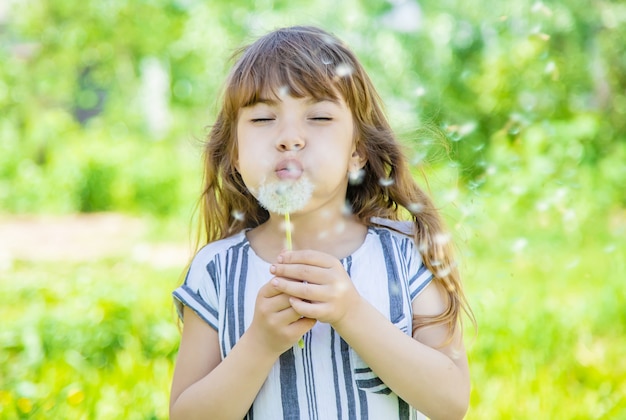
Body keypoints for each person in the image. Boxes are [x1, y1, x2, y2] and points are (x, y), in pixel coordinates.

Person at [170, 25, 474, 420]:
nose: (290, 138)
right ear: (235, 156)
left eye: (318, 116)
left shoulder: (406, 254)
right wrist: (259, 344)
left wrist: (351, 313)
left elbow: (451, 402)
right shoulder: (216, 270)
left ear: (358, 152)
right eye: (263, 119)